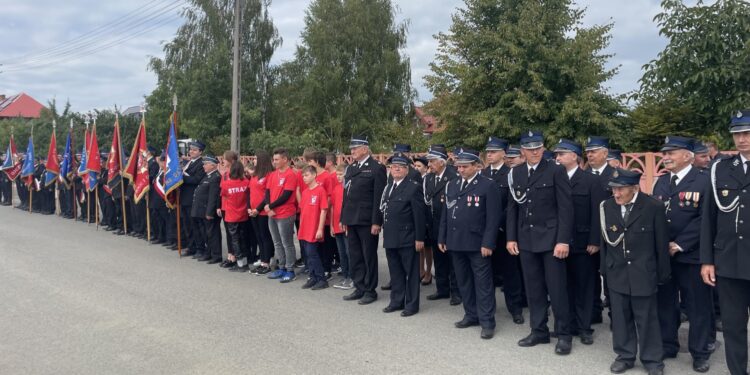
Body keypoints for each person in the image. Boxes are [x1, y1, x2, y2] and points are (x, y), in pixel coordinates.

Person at [507, 130, 574, 355]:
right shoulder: (515, 172)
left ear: (543, 148)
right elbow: (512, 209)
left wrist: (563, 240)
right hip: (526, 239)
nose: (534, 152)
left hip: (552, 240)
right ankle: (539, 331)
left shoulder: (555, 171)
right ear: (523, 151)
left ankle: (564, 334)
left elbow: (566, 208)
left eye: (538, 148)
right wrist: (511, 237)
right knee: (533, 289)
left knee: (557, 290)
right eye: (529, 148)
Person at [600, 168, 669, 375]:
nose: (616, 194)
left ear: (635, 188)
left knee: (647, 318)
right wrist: (605, 271)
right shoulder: (606, 206)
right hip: (617, 272)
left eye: (621, 189)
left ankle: (652, 360)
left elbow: (661, 244)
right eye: (613, 189)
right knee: (620, 317)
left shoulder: (652, 206)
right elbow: (604, 243)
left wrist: (662, 274)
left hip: (643, 272)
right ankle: (625, 355)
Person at [652, 136, 712, 373]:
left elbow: (705, 220)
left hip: (691, 255)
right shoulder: (661, 182)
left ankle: (700, 352)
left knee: (696, 305)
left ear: (687, 155)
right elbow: (656, 215)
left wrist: (679, 244)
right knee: (665, 302)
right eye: (664, 153)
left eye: (671, 153)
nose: (665, 157)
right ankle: (668, 344)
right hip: (665, 255)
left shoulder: (703, 180)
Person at [701, 109, 750, 375]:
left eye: (746, 133)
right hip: (729, 260)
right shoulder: (720, 168)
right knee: (733, 325)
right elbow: (708, 218)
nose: (741, 139)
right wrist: (707, 259)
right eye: (737, 134)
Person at [438, 148, 500, 339]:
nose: (461, 170)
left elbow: (493, 218)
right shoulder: (452, 185)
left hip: (477, 242)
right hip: (456, 242)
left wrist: (488, 243)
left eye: (465, 167)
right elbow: (446, 214)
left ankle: (487, 321)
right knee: (464, 281)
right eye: (459, 167)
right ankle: (471, 314)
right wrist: (442, 237)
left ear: (476, 166)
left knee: (483, 284)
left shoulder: (487, 185)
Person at [554, 139, 605, 345]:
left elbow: (597, 212)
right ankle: (565, 325)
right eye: (556, 155)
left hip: (583, 243)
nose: (557, 158)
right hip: (559, 241)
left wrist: (595, 240)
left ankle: (584, 328)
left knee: (584, 287)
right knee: (562, 287)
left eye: (561, 154)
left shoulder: (590, 180)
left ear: (574, 156)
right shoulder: (554, 178)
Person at [481, 136, 525, 325]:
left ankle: (515, 309)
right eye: (488, 152)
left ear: (503, 154)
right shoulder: (482, 174)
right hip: (484, 233)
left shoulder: (512, 174)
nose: (489, 155)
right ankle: (487, 309)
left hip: (505, 231)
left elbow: (512, 205)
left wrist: (497, 223)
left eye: (493, 152)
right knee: (486, 273)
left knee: (510, 273)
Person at [341, 135, 387, 305]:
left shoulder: (376, 168)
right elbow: (346, 195)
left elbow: (378, 197)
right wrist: (342, 218)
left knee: (368, 255)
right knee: (355, 255)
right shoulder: (351, 168)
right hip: (351, 218)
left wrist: (377, 221)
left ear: (365, 149)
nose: (352, 151)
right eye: (351, 148)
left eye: (355, 148)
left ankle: (370, 290)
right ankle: (359, 286)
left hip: (367, 219)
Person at [381, 153, 426, 316]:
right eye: (393, 167)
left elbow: (419, 216)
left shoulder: (413, 187)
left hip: (407, 237)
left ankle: (412, 305)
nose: (396, 169)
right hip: (391, 236)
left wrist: (420, 238)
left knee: (411, 273)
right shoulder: (389, 186)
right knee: (395, 272)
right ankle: (396, 301)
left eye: (400, 167)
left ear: (407, 170)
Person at [424, 144, 461, 305]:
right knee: (439, 258)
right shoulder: (430, 177)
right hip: (434, 223)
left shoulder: (453, 176)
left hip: (449, 223)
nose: (429, 164)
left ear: (441, 162)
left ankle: (456, 292)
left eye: (432, 161)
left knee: (452, 260)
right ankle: (442, 289)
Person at [586, 136, 615, 324]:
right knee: (590, 277)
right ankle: (594, 312)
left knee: (611, 276)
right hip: (587, 235)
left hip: (612, 235)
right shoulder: (583, 175)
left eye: (594, 151)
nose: (589, 155)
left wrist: (597, 239)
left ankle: (615, 315)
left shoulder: (616, 175)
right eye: (587, 152)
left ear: (605, 153)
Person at [263, 148, 299, 283]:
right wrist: (268, 207)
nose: (274, 162)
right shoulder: (273, 174)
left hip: (285, 213)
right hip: (272, 214)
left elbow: (286, 195)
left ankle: (290, 270)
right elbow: (267, 192)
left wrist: (270, 206)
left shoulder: (291, 175)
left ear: (285, 159)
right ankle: (281, 267)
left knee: (287, 243)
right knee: (277, 242)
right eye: (274, 159)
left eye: (277, 159)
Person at [298, 165, 330, 290]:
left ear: (314, 175)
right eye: (303, 176)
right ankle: (312, 277)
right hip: (304, 228)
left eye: (306, 175)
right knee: (307, 254)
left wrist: (320, 228)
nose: (304, 178)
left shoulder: (320, 190)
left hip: (314, 228)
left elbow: (323, 210)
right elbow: (303, 211)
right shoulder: (305, 192)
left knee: (313, 253)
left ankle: (321, 278)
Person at [220, 160, 251, 272]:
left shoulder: (227, 183)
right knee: (243, 238)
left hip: (231, 214)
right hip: (243, 214)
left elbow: (223, 195)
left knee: (235, 239)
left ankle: (240, 264)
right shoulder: (246, 182)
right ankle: (245, 262)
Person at [248, 151, 275, 276]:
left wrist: (258, 209)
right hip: (253, 211)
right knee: (259, 237)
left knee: (265, 237)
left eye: (255, 158)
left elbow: (267, 195)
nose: (253, 160)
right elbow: (250, 192)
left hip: (263, 211)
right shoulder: (255, 175)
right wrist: (249, 207)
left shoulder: (269, 175)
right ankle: (263, 259)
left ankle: (266, 262)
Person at [194, 155, 222, 264]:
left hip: (208, 211)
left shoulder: (215, 177)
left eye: (206, 164)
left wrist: (209, 212)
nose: (204, 166)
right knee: (207, 233)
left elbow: (213, 197)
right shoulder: (208, 176)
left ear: (213, 165)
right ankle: (209, 253)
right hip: (202, 210)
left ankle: (216, 255)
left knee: (213, 234)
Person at [180, 141, 206, 256]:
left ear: (200, 152)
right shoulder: (189, 162)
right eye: (190, 149)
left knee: (194, 225)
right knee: (187, 225)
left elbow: (197, 180)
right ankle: (191, 246)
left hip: (193, 198)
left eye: (195, 150)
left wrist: (182, 177)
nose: (191, 151)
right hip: (184, 197)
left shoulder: (201, 164)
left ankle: (199, 248)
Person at [331, 164, 353, 289]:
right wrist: (332, 227)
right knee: (341, 253)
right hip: (337, 225)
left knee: (349, 252)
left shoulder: (349, 189)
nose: (338, 177)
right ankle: (345, 276)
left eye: (341, 174)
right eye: (337, 174)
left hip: (346, 226)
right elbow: (333, 207)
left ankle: (352, 277)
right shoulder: (335, 189)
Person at [413, 156, 433, 285]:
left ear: (426, 168)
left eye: (419, 166)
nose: (416, 168)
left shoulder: (428, 179)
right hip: (417, 216)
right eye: (415, 166)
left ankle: (429, 272)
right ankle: (420, 270)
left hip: (427, 216)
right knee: (418, 246)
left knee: (427, 246)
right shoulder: (414, 179)